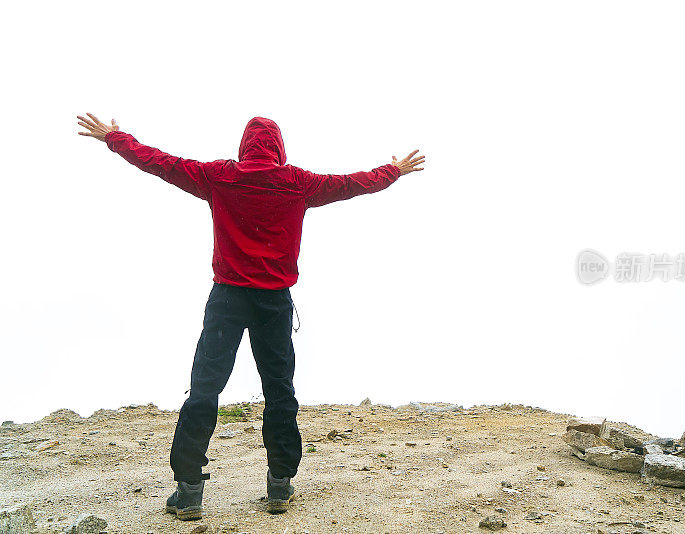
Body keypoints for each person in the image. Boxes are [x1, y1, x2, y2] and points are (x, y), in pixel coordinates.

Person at [77, 112, 425, 519]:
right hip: (274, 302)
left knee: (205, 389)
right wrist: (393, 171)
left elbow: (161, 162)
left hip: (227, 299)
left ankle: (189, 491)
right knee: (279, 390)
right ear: (278, 147)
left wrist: (116, 139)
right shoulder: (298, 182)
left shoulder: (220, 177)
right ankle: (280, 486)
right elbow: (352, 184)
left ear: (245, 146)